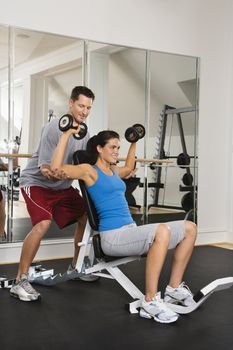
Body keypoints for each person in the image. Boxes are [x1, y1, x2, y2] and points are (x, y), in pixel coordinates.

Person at [50, 127, 197, 324]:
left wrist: (134, 142)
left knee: (189, 228)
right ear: (99, 148)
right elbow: (57, 168)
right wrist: (66, 135)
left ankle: (173, 289)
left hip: (130, 231)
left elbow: (128, 167)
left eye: (118, 147)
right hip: (112, 237)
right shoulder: (89, 171)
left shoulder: (113, 171)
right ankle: (150, 301)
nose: (116, 151)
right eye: (112, 147)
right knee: (161, 231)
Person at [10, 86, 98, 302]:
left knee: (86, 217)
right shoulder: (53, 128)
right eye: (81, 105)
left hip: (62, 187)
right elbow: (46, 171)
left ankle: (76, 267)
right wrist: (59, 173)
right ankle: (20, 280)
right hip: (37, 183)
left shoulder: (84, 132)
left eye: (88, 107)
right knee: (42, 224)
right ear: (70, 103)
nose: (85, 111)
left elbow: (86, 162)